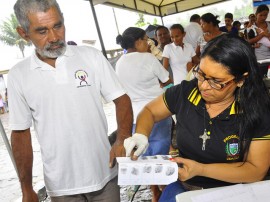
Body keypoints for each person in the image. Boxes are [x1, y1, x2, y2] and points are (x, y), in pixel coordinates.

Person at [9, 0, 133, 201]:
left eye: (57, 25)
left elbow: (122, 99)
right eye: (42, 31)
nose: (55, 37)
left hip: (105, 173)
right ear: (23, 33)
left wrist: (122, 138)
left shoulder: (91, 57)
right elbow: (20, 133)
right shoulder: (18, 75)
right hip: (61, 186)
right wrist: (26, 188)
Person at [124, 34, 270, 202]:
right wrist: (140, 135)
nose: (204, 86)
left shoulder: (256, 110)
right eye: (201, 74)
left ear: (241, 80)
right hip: (184, 188)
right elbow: (149, 111)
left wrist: (200, 169)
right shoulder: (185, 92)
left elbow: (256, 170)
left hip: (231, 193)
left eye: (216, 81)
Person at [115, 27, 172, 202]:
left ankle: (154, 192)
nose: (148, 43)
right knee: (161, 154)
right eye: (146, 40)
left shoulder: (120, 62)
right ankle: (165, 190)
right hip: (157, 112)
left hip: (135, 116)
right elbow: (167, 79)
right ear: (138, 41)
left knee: (144, 155)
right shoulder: (148, 58)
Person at [247, 4, 270, 77]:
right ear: (256, 14)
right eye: (261, 15)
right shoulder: (251, 27)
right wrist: (263, 34)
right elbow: (249, 41)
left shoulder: (269, 25)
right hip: (259, 59)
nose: (263, 17)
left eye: (265, 15)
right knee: (262, 78)